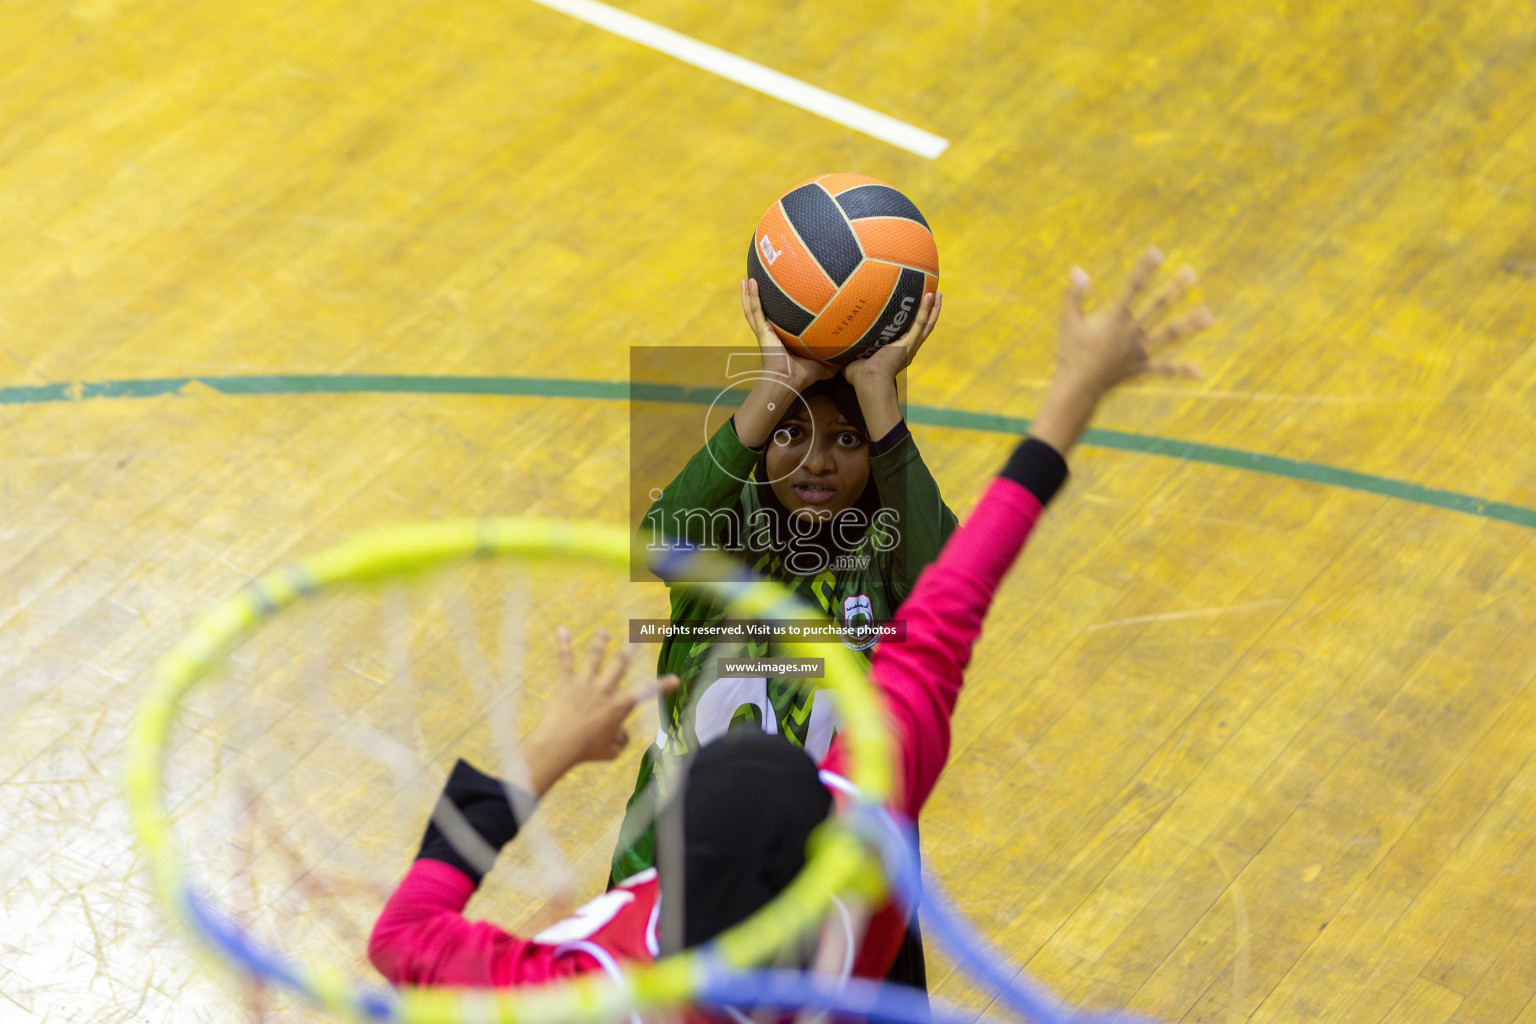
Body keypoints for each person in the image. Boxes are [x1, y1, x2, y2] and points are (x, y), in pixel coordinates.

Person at [368, 247, 1211, 995]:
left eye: (846, 444)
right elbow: (953, 586)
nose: (816, 459)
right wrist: (1058, 396)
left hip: (684, 879)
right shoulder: (723, 574)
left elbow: (407, 943)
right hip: (835, 880)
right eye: (792, 435)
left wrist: (550, 744)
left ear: (872, 467)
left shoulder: (604, 973)